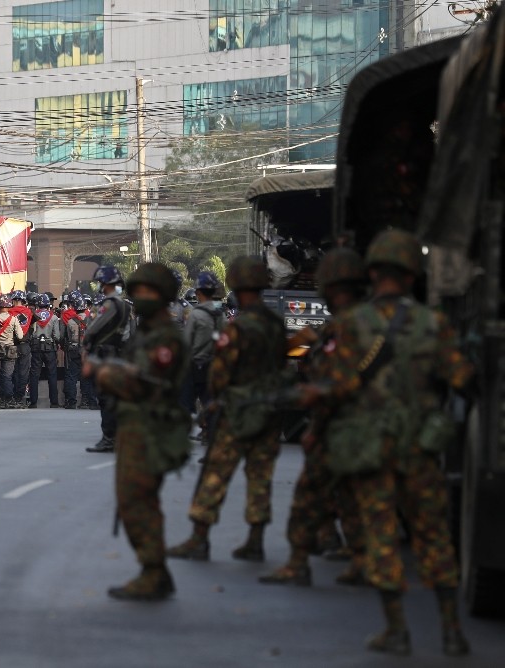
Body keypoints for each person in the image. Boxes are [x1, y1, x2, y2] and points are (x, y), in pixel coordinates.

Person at [298, 230, 473, 657]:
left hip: (371, 451)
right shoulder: (435, 323)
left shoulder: (352, 324)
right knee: (434, 540)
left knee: (380, 539)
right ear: (414, 275)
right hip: (421, 450)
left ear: (373, 272)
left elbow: (333, 385)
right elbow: (464, 380)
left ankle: (396, 630)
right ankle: (451, 631)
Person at [167, 255, 287, 562]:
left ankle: (199, 537)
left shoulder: (240, 328)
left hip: (238, 411)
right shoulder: (274, 323)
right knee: (260, 478)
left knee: (215, 474)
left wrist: (215, 400)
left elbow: (221, 372)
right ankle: (256, 540)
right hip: (270, 410)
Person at [259, 248, 367, 588]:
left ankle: (303, 561)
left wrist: (312, 393)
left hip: (345, 428)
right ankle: (339, 551)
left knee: (315, 496)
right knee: (345, 496)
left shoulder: (357, 327)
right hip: (339, 430)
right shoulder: (344, 325)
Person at [84, 263, 191, 601]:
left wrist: (103, 373)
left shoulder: (166, 338)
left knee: (138, 502)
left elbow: (148, 383)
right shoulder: (145, 332)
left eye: (147, 292)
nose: (139, 297)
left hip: (152, 429)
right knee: (135, 502)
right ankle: (153, 570)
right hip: (136, 426)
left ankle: (153, 571)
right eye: (138, 290)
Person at [83, 266, 132, 452]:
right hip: (119, 353)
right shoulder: (126, 305)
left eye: (101, 283)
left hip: (105, 355)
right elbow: (128, 333)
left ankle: (109, 438)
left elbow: (93, 327)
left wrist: (87, 343)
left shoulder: (110, 304)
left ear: (106, 284)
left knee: (106, 398)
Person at [180, 271, 224, 415]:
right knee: (210, 403)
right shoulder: (221, 314)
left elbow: (186, 342)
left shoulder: (196, 314)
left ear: (198, 292)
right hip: (215, 365)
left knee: (185, 405)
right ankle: (210, 431)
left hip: (195, 365)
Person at [0, 293, 23, 409]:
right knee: (7, 376)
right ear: (9, 305)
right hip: (9, 350)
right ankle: (8, 400)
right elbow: (20, 336)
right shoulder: (13, 320)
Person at [28, 293, 61, 408]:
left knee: (34, 375)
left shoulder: (33, 316)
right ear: (48, 305)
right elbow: (57, 336)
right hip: (49, 348)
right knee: (52, 374)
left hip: (36, 348)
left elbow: (30, 333)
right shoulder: (54, 317)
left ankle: (33, 402)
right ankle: (54, 402)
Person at [10, 290, 34, 409]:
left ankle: (13, 396)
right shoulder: (29, 312)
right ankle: (20, 397)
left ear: (14, 300)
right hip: (25, 345)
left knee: (12, 371)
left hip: (12, 345)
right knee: (24, 372)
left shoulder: (9, 312)